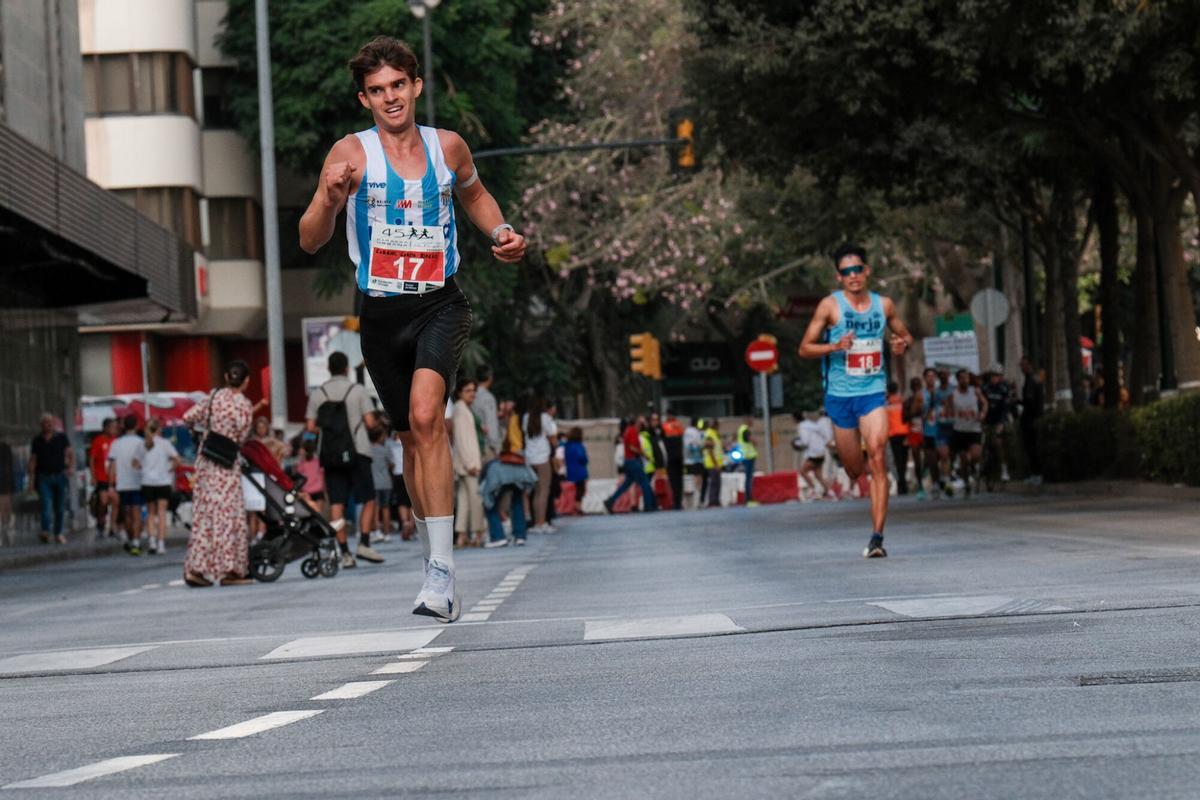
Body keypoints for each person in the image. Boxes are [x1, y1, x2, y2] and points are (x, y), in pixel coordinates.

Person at [298, 36, 526, 622]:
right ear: (364, 99)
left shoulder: (447, 147)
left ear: (416, 86)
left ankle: (443, 572)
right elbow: (309, 238)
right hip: (379, 313)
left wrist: (500, 233)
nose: (390, 97)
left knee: (429, 418)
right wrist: (328, 197)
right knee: (408, 437)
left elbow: (476, 196)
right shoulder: (349, 154)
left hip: (439, 304)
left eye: (398, 85)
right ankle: (434, 563)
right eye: (378, 91)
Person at [798, 243, 914, 558]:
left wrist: (901, 345)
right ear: (839, 277)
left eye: (858, 269)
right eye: (846, 271)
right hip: (839, 396)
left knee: (877, 455)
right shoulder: (829, 307)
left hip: (872, 392)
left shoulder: (884, 305)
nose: (853, 276)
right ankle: (857, 466)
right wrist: (834, 347)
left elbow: (905, 336)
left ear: (867, 271)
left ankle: (877, 537)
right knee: (853, 469)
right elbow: (805, 348)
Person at [181, 360, 264, 586]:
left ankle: (196, 568)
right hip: (227, 464)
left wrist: (201, 431)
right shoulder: (244, 405)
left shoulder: (213, 397)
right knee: (229, 516)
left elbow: (188, 417)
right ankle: (230, 570)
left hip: (206, 462)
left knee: (205, 515)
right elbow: (242, 434)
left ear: (226, 377)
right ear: (246, 381)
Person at [306, 350, 384, 568]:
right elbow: (370, 423)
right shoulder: (357, 391)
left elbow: (311, 427)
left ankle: (345, 553)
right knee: (368, 498)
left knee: (337, 503)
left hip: (330, 455)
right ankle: (365, 543)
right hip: (358, 451)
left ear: (328, 368)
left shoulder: (318, 393)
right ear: (346, 368)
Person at [29, 413, 74, 545]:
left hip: (60, 475)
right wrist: (31, 481)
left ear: (53, 424)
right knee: (46, 505)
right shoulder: (37, 440)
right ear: (41, 425)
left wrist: (70, 467)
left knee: (60, 507)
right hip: (44, 477)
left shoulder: (61, 438)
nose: (47, 425)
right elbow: (33, 460)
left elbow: (70, 453)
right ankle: (45, 531)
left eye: (50, 423)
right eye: (45, 423)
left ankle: (58, 532)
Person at [451, 378, 485, 547]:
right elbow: (462, 439)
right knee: (476, 499)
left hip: (464, 463)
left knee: (463, 501)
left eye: (473, 390)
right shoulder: (460, 409)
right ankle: (478, 534)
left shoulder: (462, 409)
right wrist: (470, 463)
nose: (472, 394)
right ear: (459, 393)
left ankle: (461, 536)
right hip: (468, 463)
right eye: (468, 390)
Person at [139, 418, 180, 555]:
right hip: (163, 482)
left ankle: (151, 541)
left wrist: (144, 469)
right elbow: (177, 459)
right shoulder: (165, 443)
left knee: (150, 513)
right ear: (158, 429)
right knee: (162, 513)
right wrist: (170, 469)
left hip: (147, 482)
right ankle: (161, 544)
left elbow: (135, 463)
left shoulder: (142, 444)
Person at [107, 414, 145, 555]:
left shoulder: (116, 443)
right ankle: (136, 541)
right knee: (137, 513)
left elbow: (112, 466)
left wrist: (111, 485)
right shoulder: (141, 443)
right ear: (136, 426)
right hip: (137, 482)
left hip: (122, 484)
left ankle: (130, 540)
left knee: (127, 514)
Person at [604, 416, 657, 513]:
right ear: (636, 423)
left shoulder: (628, 431)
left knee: (626, 484)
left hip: (628, 461)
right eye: (640, 423)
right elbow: (632, 447)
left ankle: (610, 501)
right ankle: (648, 506)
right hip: (633, 461)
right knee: (645, 482)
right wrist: (644, 455)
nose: (642, 425)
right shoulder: (632, 431)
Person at [949, 369, 988, 493]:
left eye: (966, 378)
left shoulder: (975, 391)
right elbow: (946, 408)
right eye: (962, 378)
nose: (965, 380)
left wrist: (982, 413)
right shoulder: (953, 394)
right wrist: (948, 416)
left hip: (974, 429)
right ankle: (966, 482)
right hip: (959, 430)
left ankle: (973, 467)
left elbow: (985, 403)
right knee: (963, 459)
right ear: (958, 380)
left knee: (976, 455)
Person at [522, 396, 557, 533]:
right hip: (543, 459)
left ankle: (536, 522)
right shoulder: (546, 418)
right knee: (543, 492)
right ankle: (541, 523)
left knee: (536, 492)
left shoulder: (526, 417)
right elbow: (553, 437)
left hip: (530, 458)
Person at [981, 364, 1012, 482]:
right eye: (992, 375)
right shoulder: (985, 388)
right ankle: (982, 467)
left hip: (999, 419)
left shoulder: (1004, 388)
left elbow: (1005, 407)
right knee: (983, 442)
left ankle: (1004, 469)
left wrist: (1001, 423)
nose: (994, 378)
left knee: (998, 443)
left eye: (997, 376)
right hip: (987, 419)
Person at [88, 417, 119, 536]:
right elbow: (92, 459)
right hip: (102, 477)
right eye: (112, 427)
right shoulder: (98, 441)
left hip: (115, 478)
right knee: (103, 501)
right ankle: (101, 520)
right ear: (105, 428)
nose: (114, 430)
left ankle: (112, 526)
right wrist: (93, 476)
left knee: (115, 501)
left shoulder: (116, 441)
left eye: (115, 427)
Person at [795, 410, 833, 499]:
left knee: (803, 471)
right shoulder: (812, 424)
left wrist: (797, 443)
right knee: (818, 475)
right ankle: (829, 492)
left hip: (814, 454)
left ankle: (814, 490)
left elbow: (805, 441)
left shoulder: (802, 427)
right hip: (821, 452)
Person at [1019, 356, 1044, 484]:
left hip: (1031, 418)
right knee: (1031, 447)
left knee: (1032, 447)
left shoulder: (1031, 380)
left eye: (1023, 365)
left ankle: (1037, 473)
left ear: (1029, 365)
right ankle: (1034, 473)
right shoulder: (1033, 379)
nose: (1021, 368)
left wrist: (1017, 401)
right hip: (1032, 417)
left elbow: (1030, 400)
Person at [919, 368, 943, 498]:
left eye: (933, 376)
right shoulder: (921, 395)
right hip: (928, 430)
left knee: (943, 456)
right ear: (924, 378)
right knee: (932, 459)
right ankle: (935, 483)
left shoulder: (941, 393)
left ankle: (945, 479)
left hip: (942, 430)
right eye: (928, 376)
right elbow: (917, 413)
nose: (931, 378)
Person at [387, 431, 415, 540]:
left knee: (401, 501)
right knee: (412, 501)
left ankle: (404, 523)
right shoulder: (410, 441)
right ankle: (412, 524)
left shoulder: (390, 443)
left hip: (397, 474)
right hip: (410, 472)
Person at [369, 426, 394, 544]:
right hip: (386, 482)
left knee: (375, 509)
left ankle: (377, 531)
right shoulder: (385, 449)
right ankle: (387, 533)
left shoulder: (368, 450)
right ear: (379, 437)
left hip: (373, 483)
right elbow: (392, 464)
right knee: (386, 508)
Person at [903, 377, 927, 500]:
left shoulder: (926, 398)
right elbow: (904, 418)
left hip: (926, 429)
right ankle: (920, 485)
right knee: (917, 459)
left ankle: (926, 473)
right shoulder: (908, 401)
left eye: (918, 385)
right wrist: (913, 409)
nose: (917, 387)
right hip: (913, 431)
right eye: (914, 385)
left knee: (929, 455)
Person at [885, 381, 910, 495]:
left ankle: (901, 483)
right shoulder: (903, 401)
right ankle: (902, 482)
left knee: (897, 459)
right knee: (903, 460)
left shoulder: (886, 403)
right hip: (904, 434)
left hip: (893, 435)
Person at [294, 436, 327, 515]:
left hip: (306, 493)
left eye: (301, 448)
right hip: (318, 492)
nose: (299, 450)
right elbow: (323, 477)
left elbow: (298, 478)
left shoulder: (301, 464)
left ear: (305, 450)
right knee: (319, 515)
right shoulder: (318, 462)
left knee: (307, 515)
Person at [474, 365, 501, 458]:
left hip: (473, 442)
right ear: (490, 378)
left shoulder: (471, 395)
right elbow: (491, 422)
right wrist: (495, 445)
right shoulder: (488, 397)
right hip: (487, 445)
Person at [661, 415, 684, 510]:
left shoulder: (665, 427)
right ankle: (679, 502)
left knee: (673, 481)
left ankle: (675, 502)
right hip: (679, 457)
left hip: (671, 458)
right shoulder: (679, 425)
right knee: (679, 481)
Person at [563, 426, 589, 510]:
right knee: (580, 490)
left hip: (570, 471)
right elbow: (582, 458)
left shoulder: (567, 446)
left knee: (572, 491)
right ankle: (578, 507)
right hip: (580, 471)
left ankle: (570, 506)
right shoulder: (579, 446)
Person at [736, 416, 759, 506]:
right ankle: (748, 499)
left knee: (748, 478)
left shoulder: (741, 429)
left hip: (745, 456)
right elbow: (751, 440)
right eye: (751, 420)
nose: (752, 422)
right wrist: (755, 442)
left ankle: (748, 498)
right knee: (748, 479)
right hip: (748, 456)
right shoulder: (745, 430)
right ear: (747, 420)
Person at [682, 417, 704, 508]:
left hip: (687, 460)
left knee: (688, 480)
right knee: (698, 479)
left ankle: (687, 502)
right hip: (696, 459)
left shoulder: (686, 431)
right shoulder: (696, 432)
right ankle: (697, 500)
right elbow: (700, 444)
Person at [702, 419, 724, 507]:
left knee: (717, 482)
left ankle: (716, 501)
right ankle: (712, 501)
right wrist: (715, 464)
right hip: (712, 463)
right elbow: (710, 450)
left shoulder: (714, 433)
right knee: (714, 483)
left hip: (716, 463)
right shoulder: (709, 434)